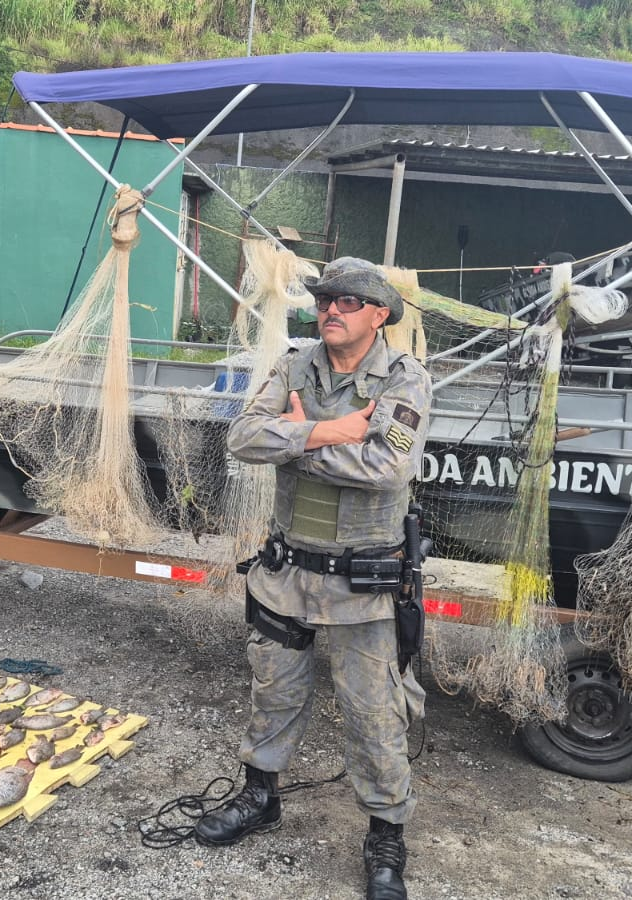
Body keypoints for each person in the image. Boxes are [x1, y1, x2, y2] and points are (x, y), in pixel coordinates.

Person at [198, 257, 433, 900]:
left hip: (364, 584)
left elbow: (387, 466)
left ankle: (386, 835)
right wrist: (333, 429)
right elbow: (243, 439)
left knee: (373, 714)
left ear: (379, 314)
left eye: (348, 301)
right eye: (326, 298)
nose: (331, 309)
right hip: (286, 572)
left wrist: (296, 438)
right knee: (273, 693)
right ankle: (259, 797)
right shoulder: (293, 365)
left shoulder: (405, 378)